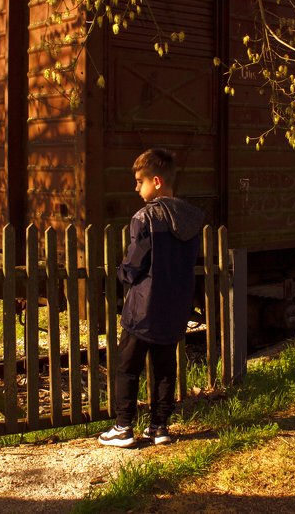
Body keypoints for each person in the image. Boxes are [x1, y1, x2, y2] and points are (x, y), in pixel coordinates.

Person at [98, 148, 204, 448]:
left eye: (139, 181)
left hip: (143, 309)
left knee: (127, 366)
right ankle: (159, 427)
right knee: (165, 368)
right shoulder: (191, 219)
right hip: (174, 307)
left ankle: (123, 427)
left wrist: (121, 275)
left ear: (156, 181)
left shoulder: (145, 217)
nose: (136, 188)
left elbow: (134, 266)